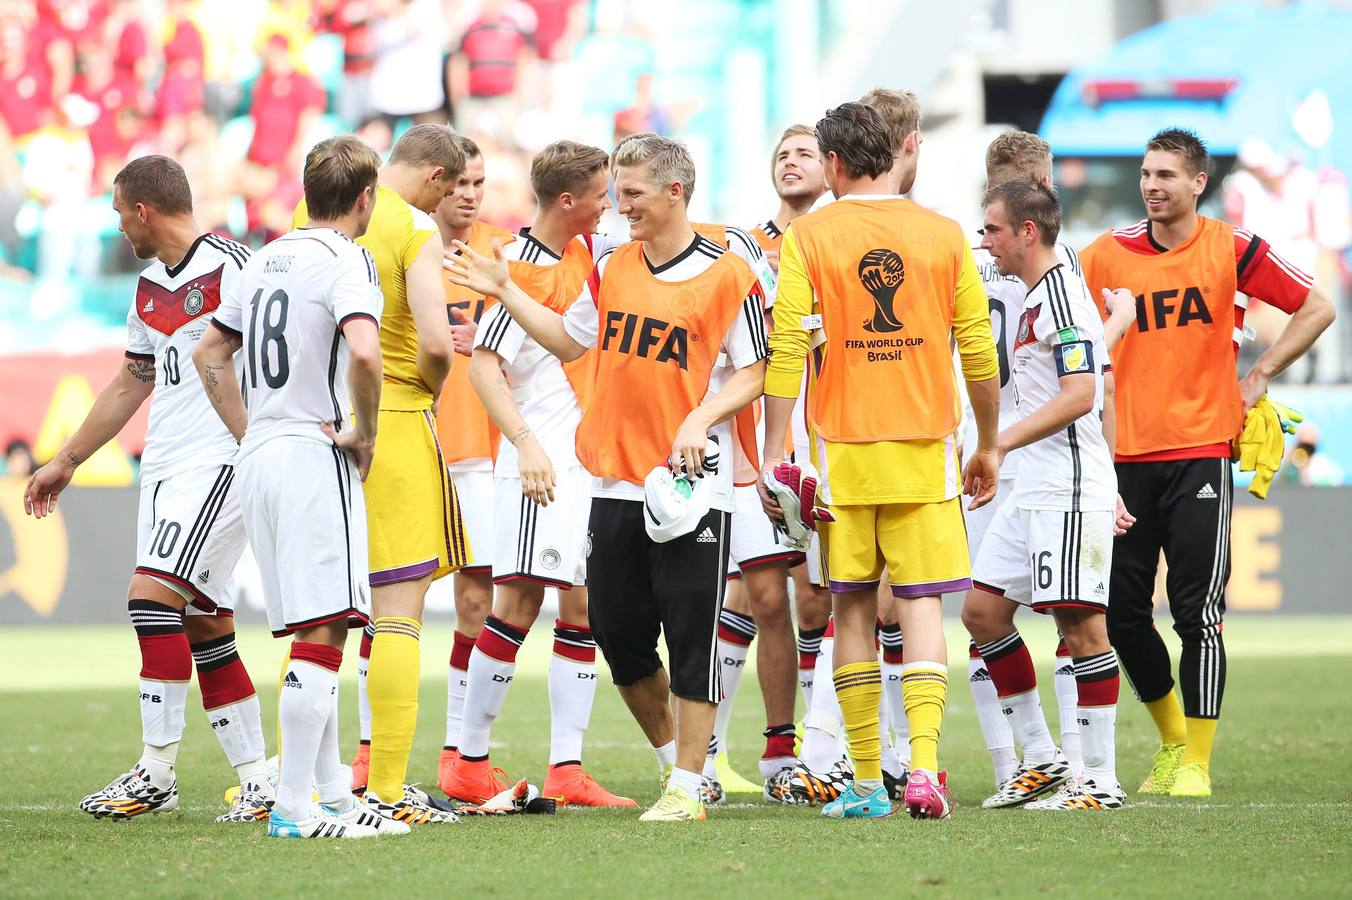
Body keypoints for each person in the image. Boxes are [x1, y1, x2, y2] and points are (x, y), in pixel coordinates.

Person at [445, 133, 768, 822]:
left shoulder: (728, 274)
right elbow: (568, 339)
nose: (621, 209)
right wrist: (505, 289)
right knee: (618, 637)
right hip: (609, 484)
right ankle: (676, 765)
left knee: (690, 634)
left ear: (676, 193)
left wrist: (700, 417)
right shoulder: (613, 265)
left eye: (633, 196)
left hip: (688, 485)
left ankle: (686, 786)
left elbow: (757, 368)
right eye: (616, 195)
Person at [759, 102, 1000, 820]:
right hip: (926, 446)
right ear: (896, 153)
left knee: (853, 609)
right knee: (923, 605)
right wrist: (987, 441)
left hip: (842, 453)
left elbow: (787, 349)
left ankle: (867, 780)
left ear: (832, 163)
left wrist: (775, 451)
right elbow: (978, 353)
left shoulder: (809, 235)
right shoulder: (944, 234)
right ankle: (922, 767)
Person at [1080, 128, 1335, 799]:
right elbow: (1068, 331)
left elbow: (1317, 307)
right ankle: (1170, 740)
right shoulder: (1103, 256)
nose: (1152, 186)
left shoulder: (1232, 247)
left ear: (1199, 182)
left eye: (1166, 175)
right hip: (1124, 459)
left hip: (1200, 453)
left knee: (1198, 614)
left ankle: (1196, 760)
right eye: (1145, 174)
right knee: (1121, 616)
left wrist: (1260, 377)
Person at [23, 155, 271, 823]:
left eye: (117, 212)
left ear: (144, 211)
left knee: (150, 599)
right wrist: (67, 458)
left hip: (221, 461)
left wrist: (261, 446)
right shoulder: (147, 286)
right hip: (166, 467)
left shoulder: (234, 267)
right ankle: (259, 782)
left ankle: (157, 771)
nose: (115, 226)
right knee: (205, 622)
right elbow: (133, 380)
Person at [193, 135, 403, 839]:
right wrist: (365, 430)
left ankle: (331, 793)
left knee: (324, 620)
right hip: (316, 451)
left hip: (261, 454)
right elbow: (367, 351)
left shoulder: (261, 260)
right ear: (365, 197)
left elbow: (209, 350)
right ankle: (293, 808)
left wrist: (248, 428)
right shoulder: (349, 259)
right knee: (325, 627)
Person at [441, 139, 633, 808]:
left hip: (581, 463)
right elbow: (485, 367)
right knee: (517, 603)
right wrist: (524, 443)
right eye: (603, 193)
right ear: (569, 200)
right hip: (538, 463)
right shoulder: (516, 266)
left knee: (580, 607)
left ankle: (566, 770)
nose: (610, 203)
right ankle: (466, 761)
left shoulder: (587, 254)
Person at [291, 123, 465, 822]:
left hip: (318, 425)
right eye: (452, 188)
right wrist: (428, 386)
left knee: (319, 614)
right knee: (397, 612)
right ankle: (387, 791)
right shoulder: (413, 228)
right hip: (388, 420)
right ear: (433, 179)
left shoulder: (309, 216)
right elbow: (433, 341)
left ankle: (293, 785)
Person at [961, 130, 1137, 794]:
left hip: (1065, 484)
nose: (985, 242)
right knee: (981, 613)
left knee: (1082, 628)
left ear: (1027, 232)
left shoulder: (1062, 297)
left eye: (994, 231)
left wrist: (1000, 442)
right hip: (1030, 485)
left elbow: (1083, 393)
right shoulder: (1034, 295)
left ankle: (1100, 780)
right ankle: (1040, 754)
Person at [428, 136, 517, 796]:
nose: (469, 193)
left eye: (479, 183)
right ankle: (369, 753)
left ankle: (458, 754)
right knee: (382, 604)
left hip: (482, 449)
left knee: (477, 598)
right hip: (417, 443)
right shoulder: (402, 247)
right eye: (459, 181)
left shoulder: (503, 253)